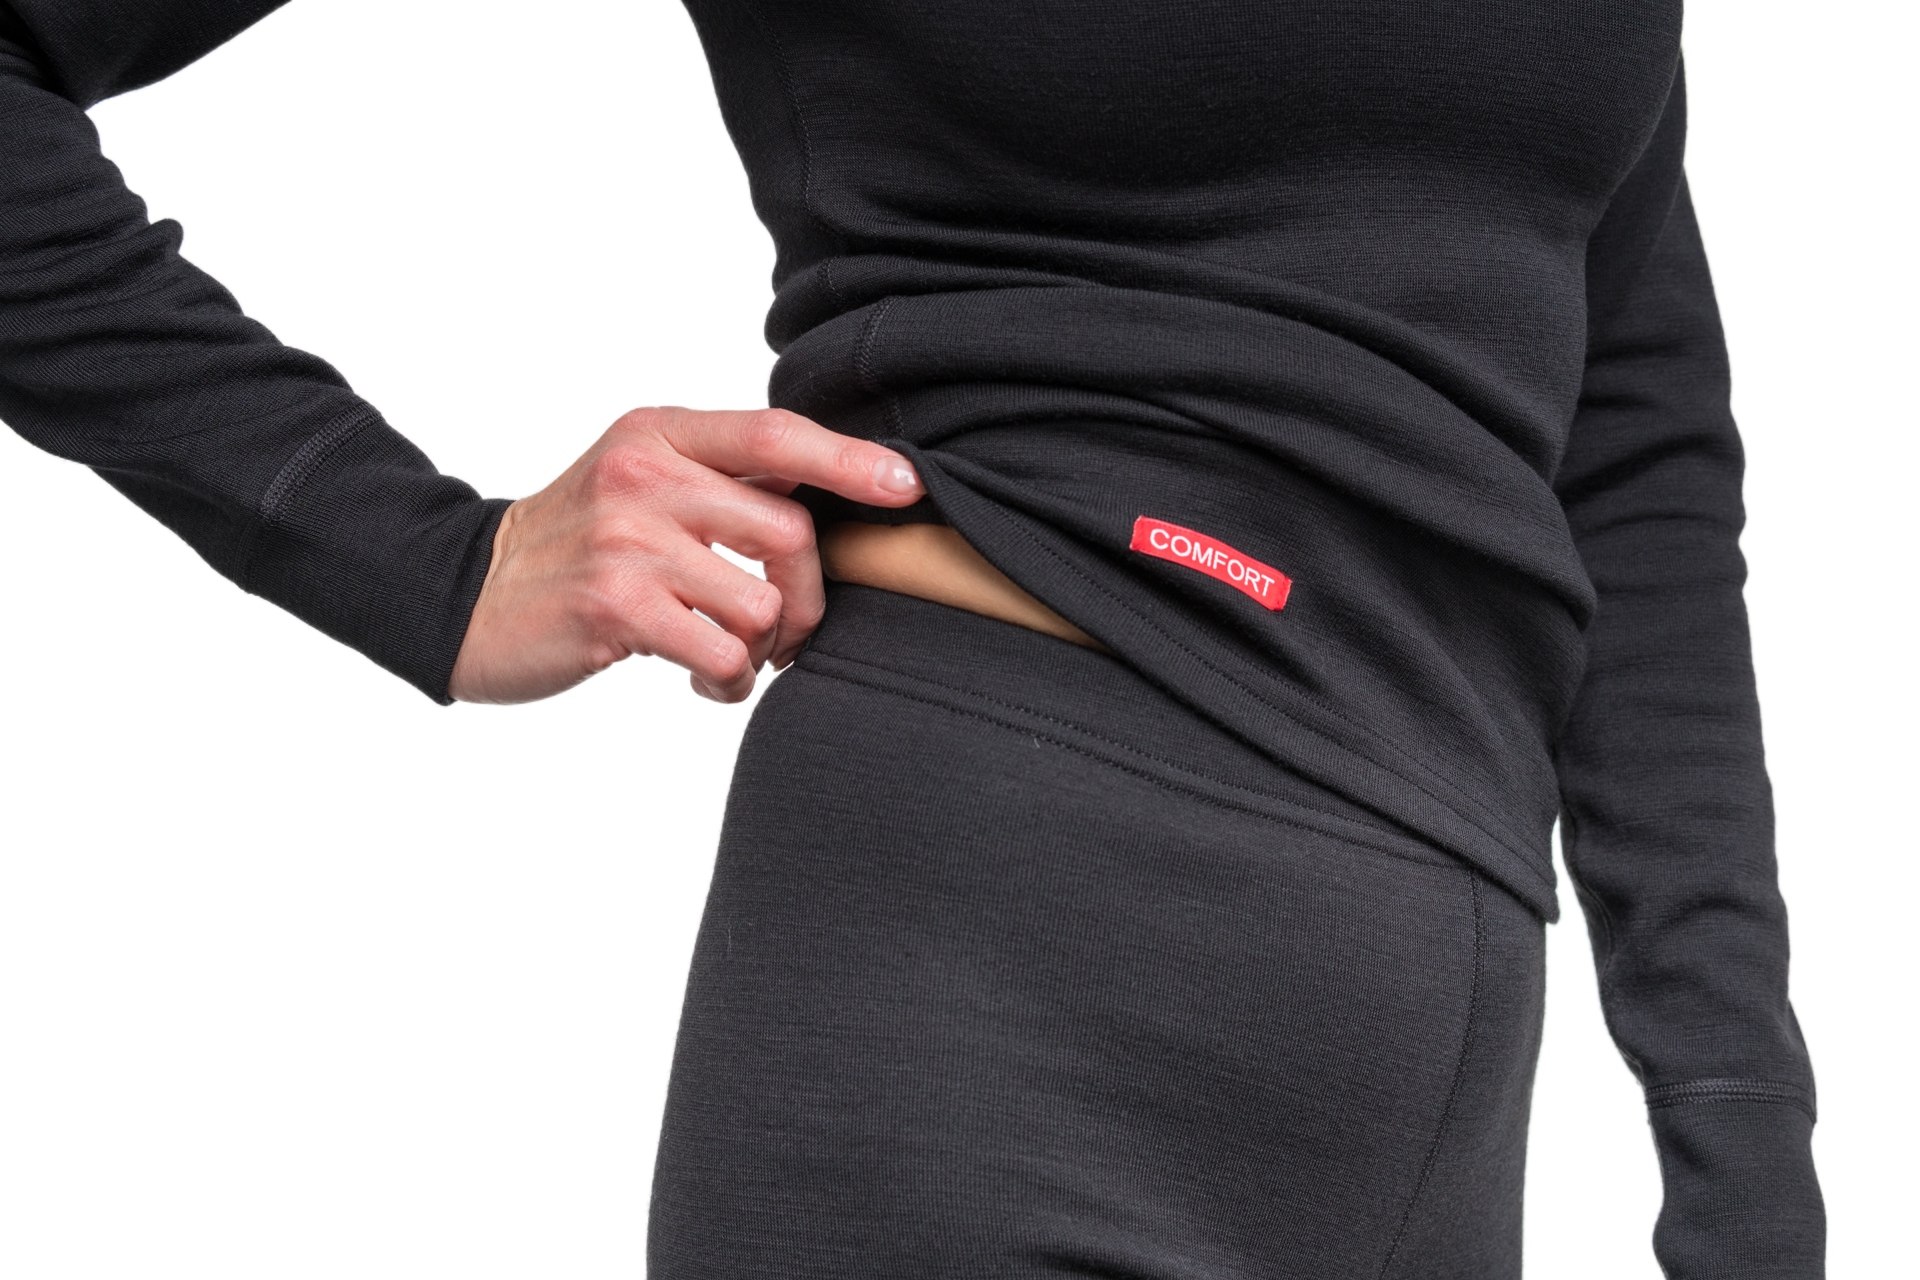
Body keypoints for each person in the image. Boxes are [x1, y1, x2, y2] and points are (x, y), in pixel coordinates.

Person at [0, 2, 1825, 1277]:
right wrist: (418, 558)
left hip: (1438, 1039)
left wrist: (1741, 1152)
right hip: (999, 992)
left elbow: (1629, 464)